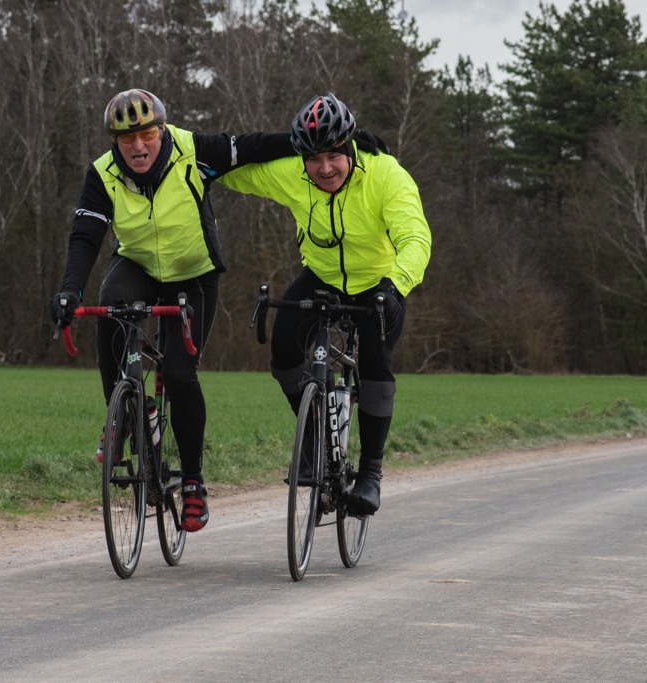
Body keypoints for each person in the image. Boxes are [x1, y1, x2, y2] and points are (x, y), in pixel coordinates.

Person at [50, 89, 295, 532]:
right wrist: (69, 291)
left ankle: (194, 482)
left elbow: (254, 146)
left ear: (162, 130)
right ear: (114, 141)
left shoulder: (192, 151)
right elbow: (85, 237)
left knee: (180, 374)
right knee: (109, 311)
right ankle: (125, 413)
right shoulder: (103, 173)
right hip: (138, 265)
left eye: (146, 134)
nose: (138, 146)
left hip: (194, 276)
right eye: (127, 139)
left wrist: (325, 143)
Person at [219, 92, 432, 515]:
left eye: (334, 156)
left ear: (350, 147)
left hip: (378, 283)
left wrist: (395, 287)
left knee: (375, 362)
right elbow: (232, 172)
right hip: (321, 277)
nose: (325, 168)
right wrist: (185, 155)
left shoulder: (386, 175)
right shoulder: (291, 174)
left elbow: (415, 238)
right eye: (314, 159)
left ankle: (370, 473)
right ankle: (314, 438)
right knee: (283, 349)